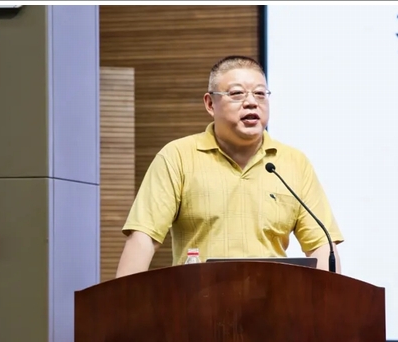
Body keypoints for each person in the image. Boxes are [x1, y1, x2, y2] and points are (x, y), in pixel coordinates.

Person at [115, 55, 343, 277]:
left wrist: (330, 298)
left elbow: (322, 245)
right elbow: (143, 238)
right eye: (237, 93)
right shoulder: (178, 157)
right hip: (197, 298)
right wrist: (123, 298)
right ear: (210, 104)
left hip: (274, 299)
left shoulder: (293, 162)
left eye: (260, 94)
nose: (252, 102)